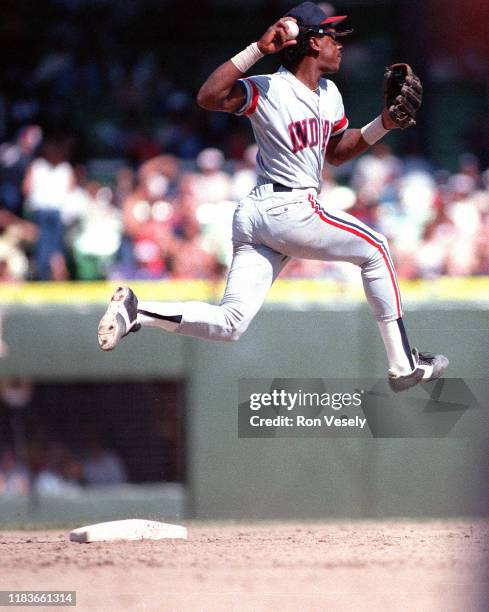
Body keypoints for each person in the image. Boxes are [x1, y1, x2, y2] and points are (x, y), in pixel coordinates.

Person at [98, 2, 448, 392]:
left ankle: (137, 310)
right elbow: (209, 96)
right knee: (377, 247)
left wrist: (382, 124)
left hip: (260, 215)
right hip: (288, 206)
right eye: (332, 36)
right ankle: (403, 364)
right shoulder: (270, 87)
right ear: (313, 43)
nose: (340, 45)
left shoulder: (329, 93)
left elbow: (335, 152)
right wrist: (257, 50)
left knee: (231, 323)